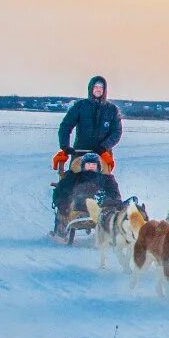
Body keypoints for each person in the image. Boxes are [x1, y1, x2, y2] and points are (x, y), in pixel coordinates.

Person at [50, 76, 123, 241]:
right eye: (95, 87)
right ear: (91, 89)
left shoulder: (112, 110)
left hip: (102, 155)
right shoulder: (80, 107)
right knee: (72, 180)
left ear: (104, 90)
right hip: (80, 153)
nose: (98, 90)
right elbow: (66, 126)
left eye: (101, 87)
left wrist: (105, 146)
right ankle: (65, 213)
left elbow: (117, 132)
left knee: (106, 181)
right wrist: (65, 146)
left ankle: (112, 206)